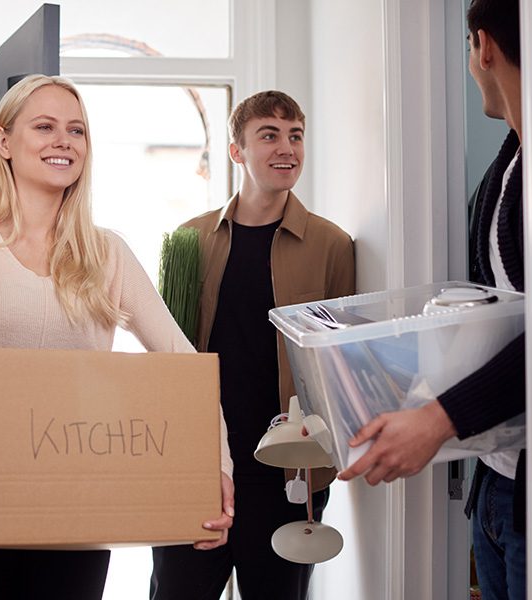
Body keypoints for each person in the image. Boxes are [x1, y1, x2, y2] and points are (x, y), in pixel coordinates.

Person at [0, 74, 234, 600]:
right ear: (3, 142)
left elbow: (183, 364)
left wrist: (217, 467)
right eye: (44, 126)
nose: (63, 141)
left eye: (77, 130)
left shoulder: (105, 254)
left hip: (78, 510)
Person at [338, 0, 527, 597]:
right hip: (496, 482)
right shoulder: (504, 168)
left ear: (483, 47)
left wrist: (435, 420)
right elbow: (501, 317)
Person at [150, 91, 355, 600]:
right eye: (269, 135)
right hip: (197, 466)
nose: (286, 148)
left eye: (295, 136)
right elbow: (165, 360)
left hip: (286, 471)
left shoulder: (332, 246)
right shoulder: (189, 241)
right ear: (236, 151)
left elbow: (342, 360)